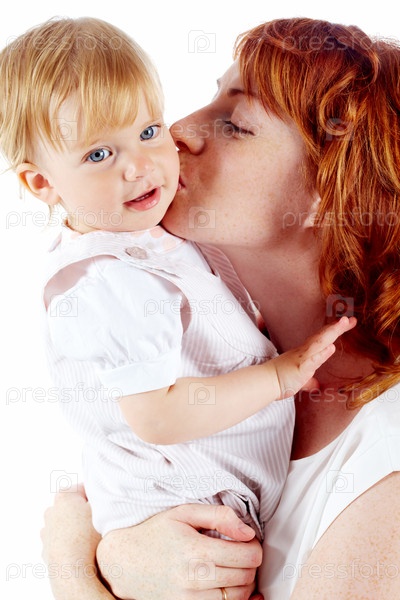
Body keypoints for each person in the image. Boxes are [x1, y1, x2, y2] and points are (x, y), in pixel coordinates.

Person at [40, 16, 400, 600]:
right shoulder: (195, 349)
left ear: (334, 190)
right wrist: (119, 554)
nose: (178, 130)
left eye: (235, 124)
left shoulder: (387, 470)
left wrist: (72, 566)